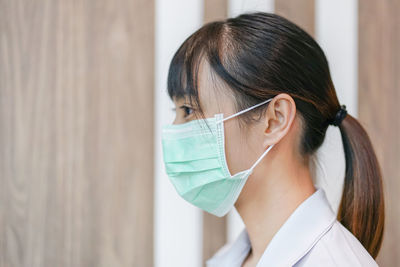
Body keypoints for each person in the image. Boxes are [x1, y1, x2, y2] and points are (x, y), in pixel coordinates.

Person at [161, 12, 384, 266]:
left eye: (189, 111)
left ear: (275, 119)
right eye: (176, 112)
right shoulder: (229, 259)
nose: (174, 130)